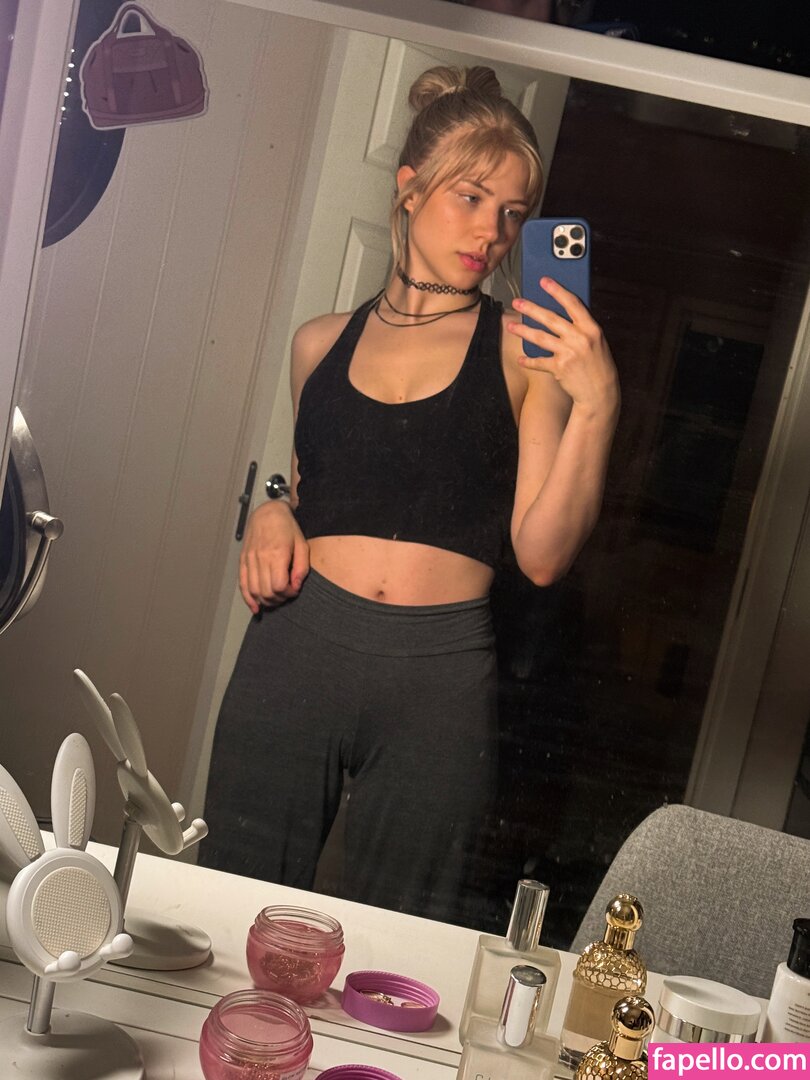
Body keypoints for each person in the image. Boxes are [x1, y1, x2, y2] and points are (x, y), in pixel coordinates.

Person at [199, 65, 619, 922]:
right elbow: (321, 485)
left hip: (440, 675)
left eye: (513, 213)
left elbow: (542, 556)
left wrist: (600, 402)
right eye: (472, 198)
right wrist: (275, 506)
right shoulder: (318, 344)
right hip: (298, 647)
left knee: (402, 945)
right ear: (410, 188)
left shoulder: (524, 352)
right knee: (235, 909)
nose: (493, 231)